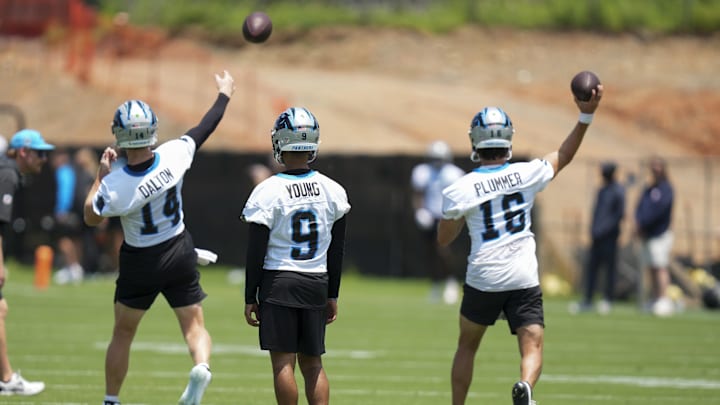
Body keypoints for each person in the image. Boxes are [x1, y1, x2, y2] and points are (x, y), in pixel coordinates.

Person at [437, 84, 603, 405]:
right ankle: (526, 386)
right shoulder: (526, 174)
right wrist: (585, 115)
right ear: (507, 140)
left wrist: (456, 217)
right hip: (522, 274)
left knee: (467, 346)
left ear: (475, 142)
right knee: (532, 345)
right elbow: (564, 154)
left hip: (484, 275)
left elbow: (444, 240)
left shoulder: (461, 188)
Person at [83, 70, 234, 405]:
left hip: (140, 258)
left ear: (120, 137)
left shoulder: (116, 186)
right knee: (194, 326)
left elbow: (91, 216)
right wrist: (224, 94)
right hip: (179, 249)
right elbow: (204, 127)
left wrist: (100, 176)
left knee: (123, 332)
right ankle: (202, 366)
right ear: (151, 133)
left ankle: (111, 399)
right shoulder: (175, 156)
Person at [242, 107, 350, 405]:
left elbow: (255, 250)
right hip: (317, 281)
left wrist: (251, 295)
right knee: (313, 365)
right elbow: (336, 250)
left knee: (283, 364)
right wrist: (332, 293)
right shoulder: (333, 190)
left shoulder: (267, 191)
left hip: (280, 281)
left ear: (280, 141)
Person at [0, 129, 53, 395]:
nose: (44, 158)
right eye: (40, 153)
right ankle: (7, 380)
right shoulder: (7, 174)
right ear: (23, 152)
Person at [411, 140, 465, 304]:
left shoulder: (454, 173)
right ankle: (435, 284)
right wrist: (419, 211)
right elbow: (418, 194)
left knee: (443, 250)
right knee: (430, 253)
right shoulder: (422, 172)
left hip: (447, 216)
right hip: (429, 215)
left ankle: (451, 282)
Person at [573, 161, 625, 314]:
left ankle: (607, 299)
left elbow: (618, 215)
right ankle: (588, 299)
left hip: (610, 237)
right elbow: (597, 213)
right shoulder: (602, 190)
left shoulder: (618, 191)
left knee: (610, 269)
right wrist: (594, 229)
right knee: (592, 269)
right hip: (597, 236)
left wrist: (604, 229)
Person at [635, 155, 674, 317]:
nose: (655, 170)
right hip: (647, 235)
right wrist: (638, 225)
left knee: (660, 267)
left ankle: (664, 299)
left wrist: (646, 224)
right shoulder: (649, 188)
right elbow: (639, 208)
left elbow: (660, 212)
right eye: (653, 166)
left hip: (659, 234)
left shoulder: (666, 189)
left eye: (658, 166)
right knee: (651, 267)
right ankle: (655, 298)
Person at [51, 148, 85, 284]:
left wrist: (61, 210)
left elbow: (65, 193)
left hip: (66, 211)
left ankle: (73, 268)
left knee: (63, 240)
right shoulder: (72, 170)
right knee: (74, 240)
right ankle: (75, 268)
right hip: (76, 212)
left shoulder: (63, 171)